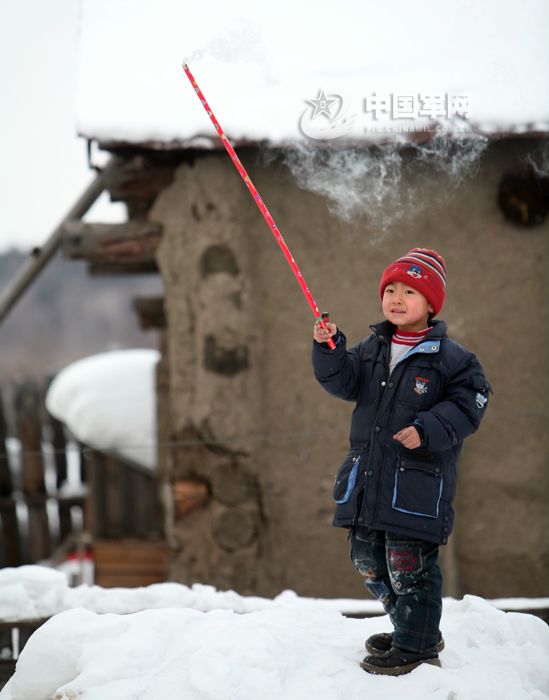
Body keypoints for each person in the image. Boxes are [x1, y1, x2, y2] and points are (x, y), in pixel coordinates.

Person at [312, 248, 491, 676]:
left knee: (408, 564)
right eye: (390, 288)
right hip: (369, 478)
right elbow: (341, 380)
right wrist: (330, 347)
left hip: (415, 483)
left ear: (430, 304)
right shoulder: (373, 349)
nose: (395, 297)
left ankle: (417, 645)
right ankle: (415, 627)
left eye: (409, 291)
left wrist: (428, 428)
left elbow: (471, 403)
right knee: (365, 556)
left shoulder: (453, 360)